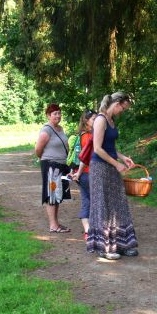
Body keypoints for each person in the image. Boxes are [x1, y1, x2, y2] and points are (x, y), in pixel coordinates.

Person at [87, 92, 139, 261]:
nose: (122, 111)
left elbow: (109, 147)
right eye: (123, 108)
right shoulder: (100, 120)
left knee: (118, 203)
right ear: (116, 104)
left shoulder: (111, 120)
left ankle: (122, 244)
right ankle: (104, 247)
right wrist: (116, 164)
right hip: (100, 167)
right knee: (103, 204)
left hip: (110, 165)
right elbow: (97, 148)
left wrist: (122, 157)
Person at [35, 103, 72, 233]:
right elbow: (38, 149)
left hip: (61, 165)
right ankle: (53, 225)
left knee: (58, 194)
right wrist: (45, 159)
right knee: (52, 194)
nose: (58, 115)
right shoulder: (47, 130)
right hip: (51, 166)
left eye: (59, 113)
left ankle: (56, 223)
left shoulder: (60, 129)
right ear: (48, 116)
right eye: (55, 113)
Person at [71, 109, 97, 244]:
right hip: (87, 173)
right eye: (94, 119)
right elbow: (84, 158)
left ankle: (88, 231)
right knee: (94, 201)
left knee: (86, 200)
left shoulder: (82, 134)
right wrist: (79, 173)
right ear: (87, 121)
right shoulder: (88, 136)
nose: (96, 121)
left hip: (82, 174)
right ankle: (92, 230)